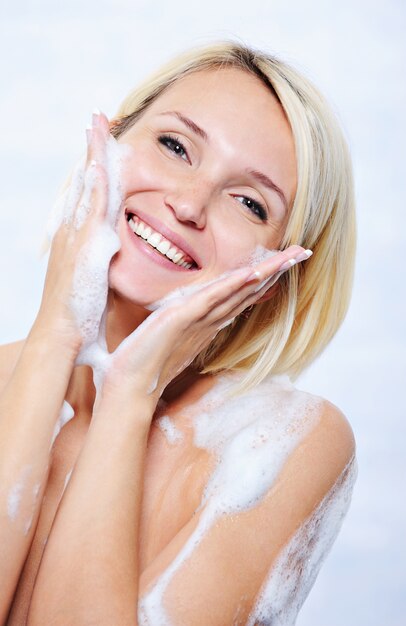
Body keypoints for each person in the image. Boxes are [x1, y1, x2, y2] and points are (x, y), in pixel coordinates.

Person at [0, 41, 357, 625]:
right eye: (174, 146)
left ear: (272, 277)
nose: (190, 204)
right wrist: (55, 334)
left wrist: (130, 394)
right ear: (106, 148)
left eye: (249, 202)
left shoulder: (281, 444)